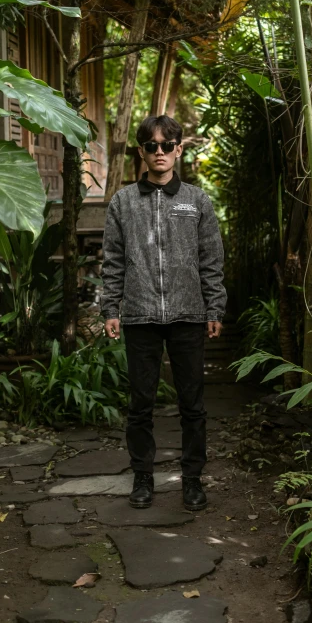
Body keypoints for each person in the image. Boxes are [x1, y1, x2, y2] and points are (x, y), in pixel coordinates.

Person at [101, 114, 226, 510]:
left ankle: (192, 480)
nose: (160, 152)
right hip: (140, 316)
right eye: (151, 146)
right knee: (140, 405)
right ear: (141, 151)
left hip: (189, 314)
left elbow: (211, 260)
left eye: (167, 145)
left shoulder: (197, 200)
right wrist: (111, 308)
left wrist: (214, 306)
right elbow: (113, 261)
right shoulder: (123, 202)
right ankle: (142, 478)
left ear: (179, 150)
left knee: (193, 404)